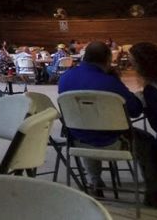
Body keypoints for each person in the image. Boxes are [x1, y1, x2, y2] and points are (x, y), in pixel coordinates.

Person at [58, 41, 143, 194]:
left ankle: (95, 180)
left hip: (78, 142)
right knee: (147, 141)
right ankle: (153, 191)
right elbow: (135, 110)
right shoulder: (110, 82)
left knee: (87, 127)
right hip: (114, 143)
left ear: (84, 57)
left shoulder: (65, 78)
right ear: (108, 59)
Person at [129, 42, 157, 207]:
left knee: (140, 140)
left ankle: (154, 194)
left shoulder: (149, 91)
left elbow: (133, 111)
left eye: (133, 64)